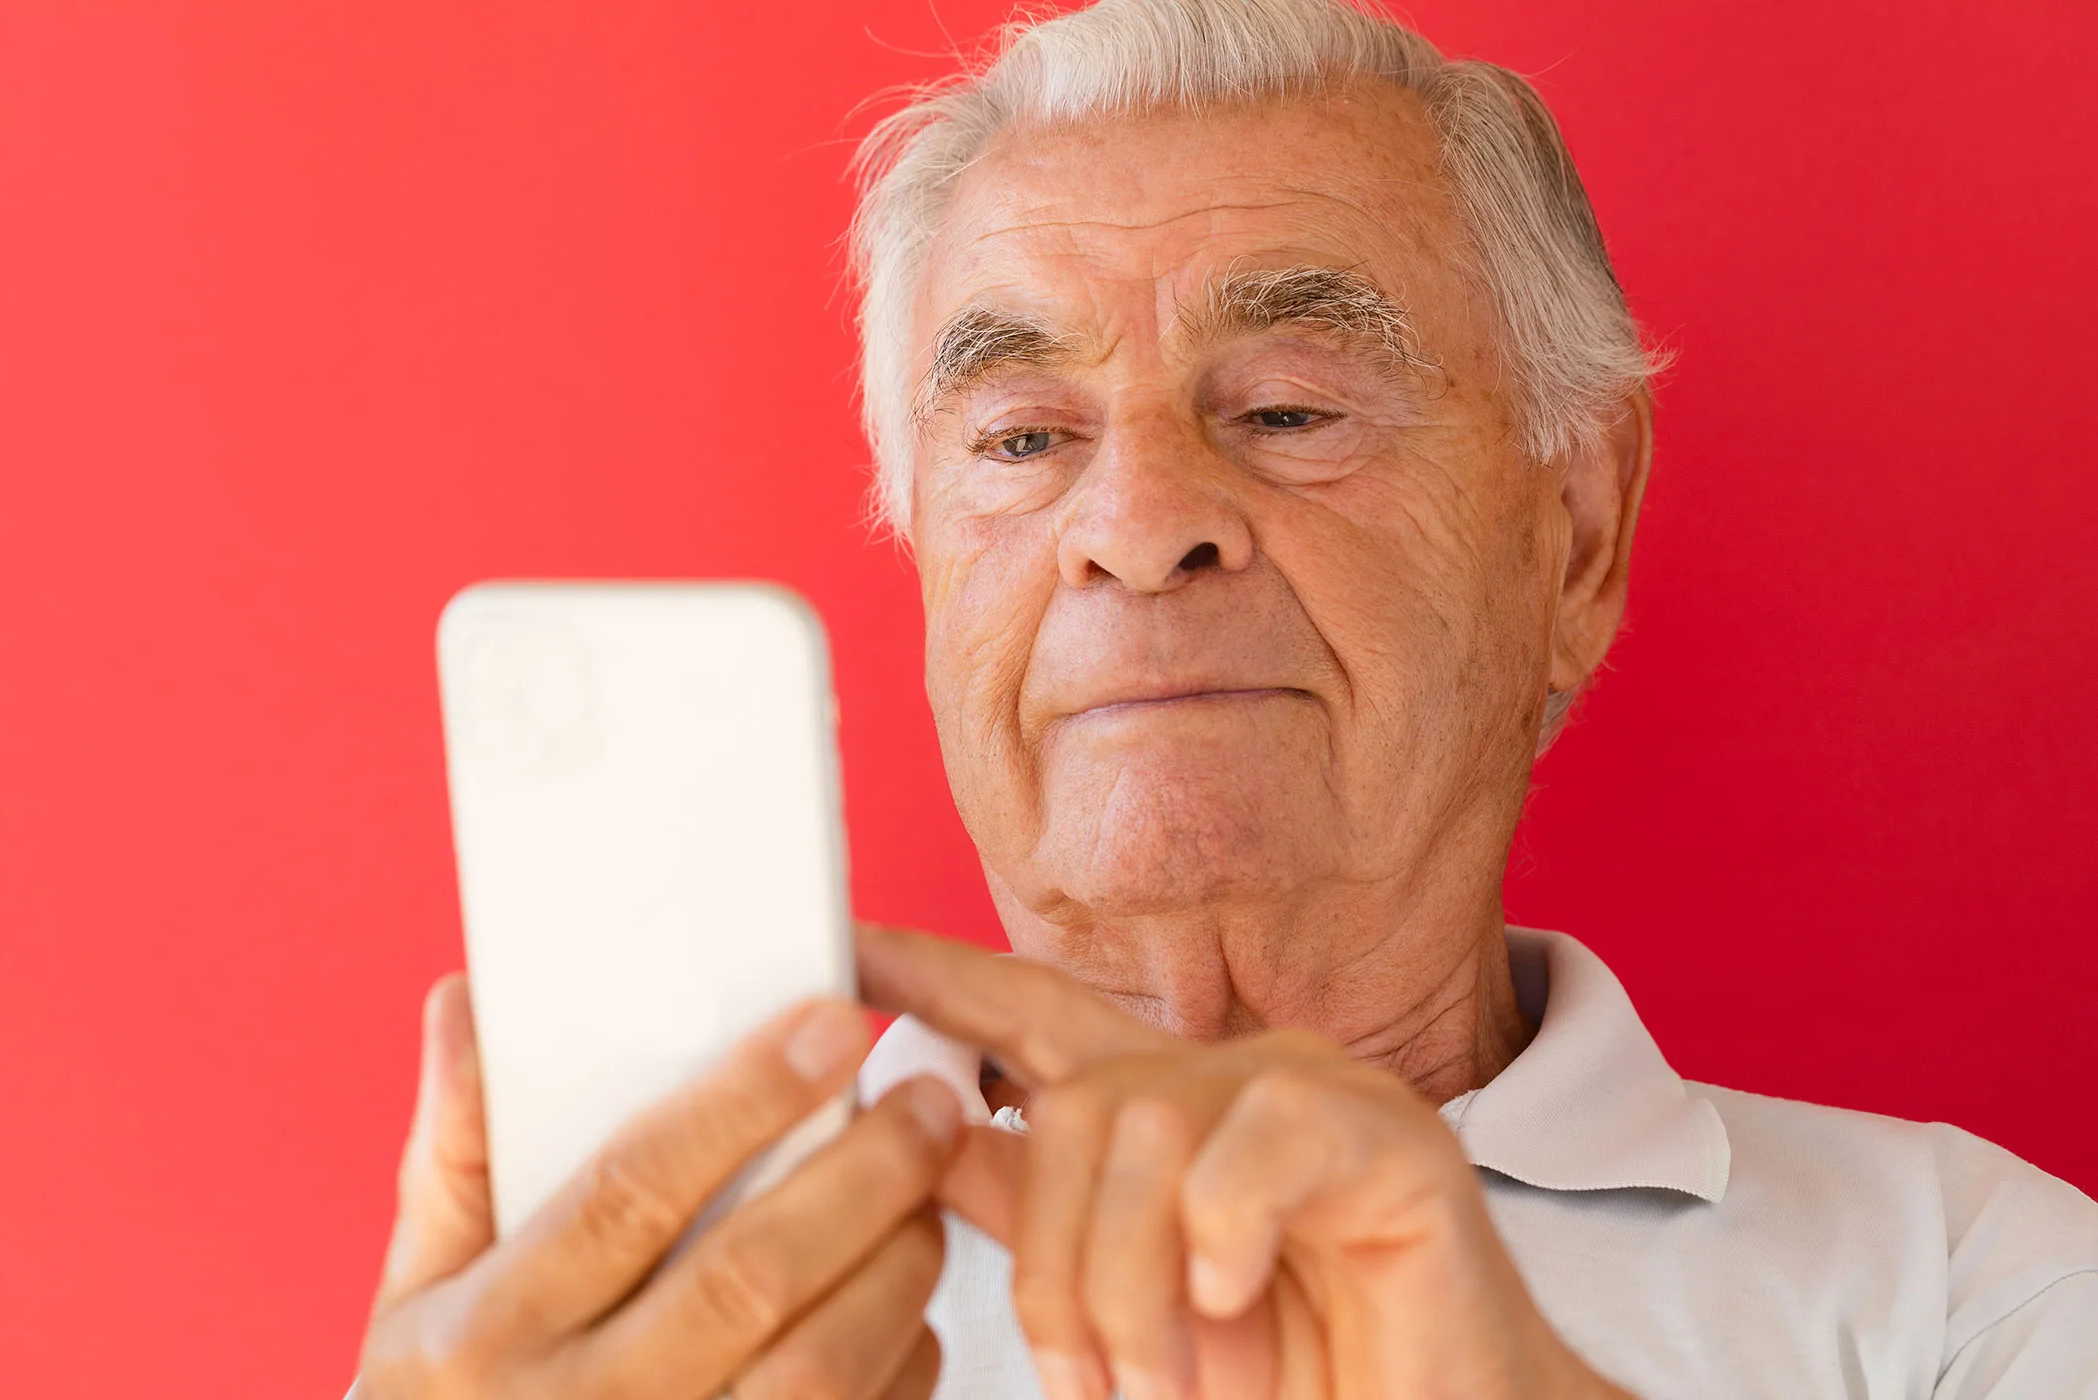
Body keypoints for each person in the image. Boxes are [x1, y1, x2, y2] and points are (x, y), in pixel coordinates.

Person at [351, 1, 2098, 1396]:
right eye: (1026, 440)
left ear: (1573, 539)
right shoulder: (601, 1332)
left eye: (1286, 409)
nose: (1133, 527)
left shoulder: (1975, 1291)